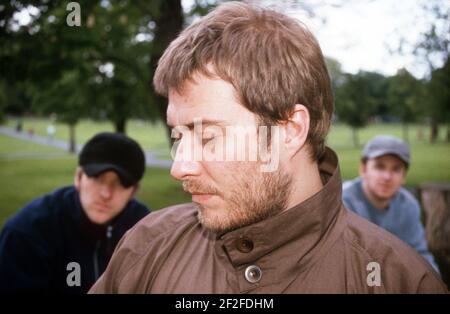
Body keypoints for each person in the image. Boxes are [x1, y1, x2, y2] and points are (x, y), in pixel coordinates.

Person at [90, 2, 446, 293]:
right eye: (179, 136)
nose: (179, 167)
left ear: (290, 130)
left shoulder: (400, 281)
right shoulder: (147, 247)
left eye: (208, 137)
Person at [0, 132, 150, 294]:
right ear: (78, 177)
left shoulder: (146, 231)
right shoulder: (27, 232)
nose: (106, 194)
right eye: (98, 178)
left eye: (121, 183)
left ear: (133, 191)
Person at [342, 135, 440, 273]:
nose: (387, 177)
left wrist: (436, 286)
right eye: (380, 167)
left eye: (396, 169)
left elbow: (420, 255)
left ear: (404, 175)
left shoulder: (408, 206)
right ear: (363, 169)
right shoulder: (342, 201)